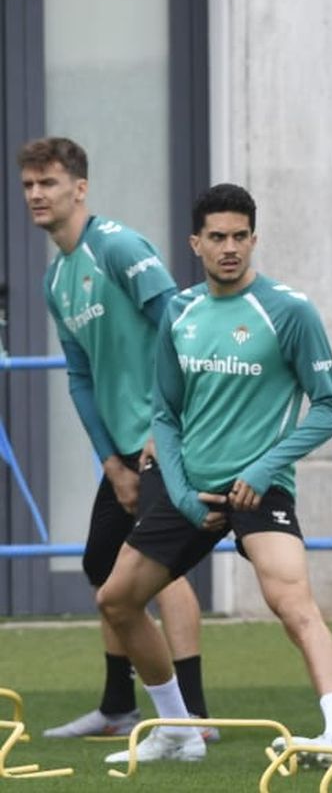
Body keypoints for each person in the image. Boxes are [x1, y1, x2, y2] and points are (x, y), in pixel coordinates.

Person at [93, 184, 332, 767]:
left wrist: (265, 468)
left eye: (240, 236)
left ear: (254, 240)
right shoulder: (180, 314)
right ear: (196, 244)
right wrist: (183, 495)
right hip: (193, 491)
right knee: (116, 600)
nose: (230, 247)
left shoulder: (290, 310)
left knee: (295, 604)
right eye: (217, 237)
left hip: (260, 491)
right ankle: (179, 730)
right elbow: (165, 412)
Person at [16, 137, 213, 740]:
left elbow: (182, 322)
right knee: (105, 567)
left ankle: (195, 718)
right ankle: (119, 707)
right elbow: (80, 378)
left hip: (170, 437)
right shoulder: (56, 279)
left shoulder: (117, 246)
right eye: (27, 185)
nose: (35, 195)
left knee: (155, 570)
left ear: (80, 188)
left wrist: (164, 425)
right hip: (126, 448)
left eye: (47, 183)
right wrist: (110, 460)